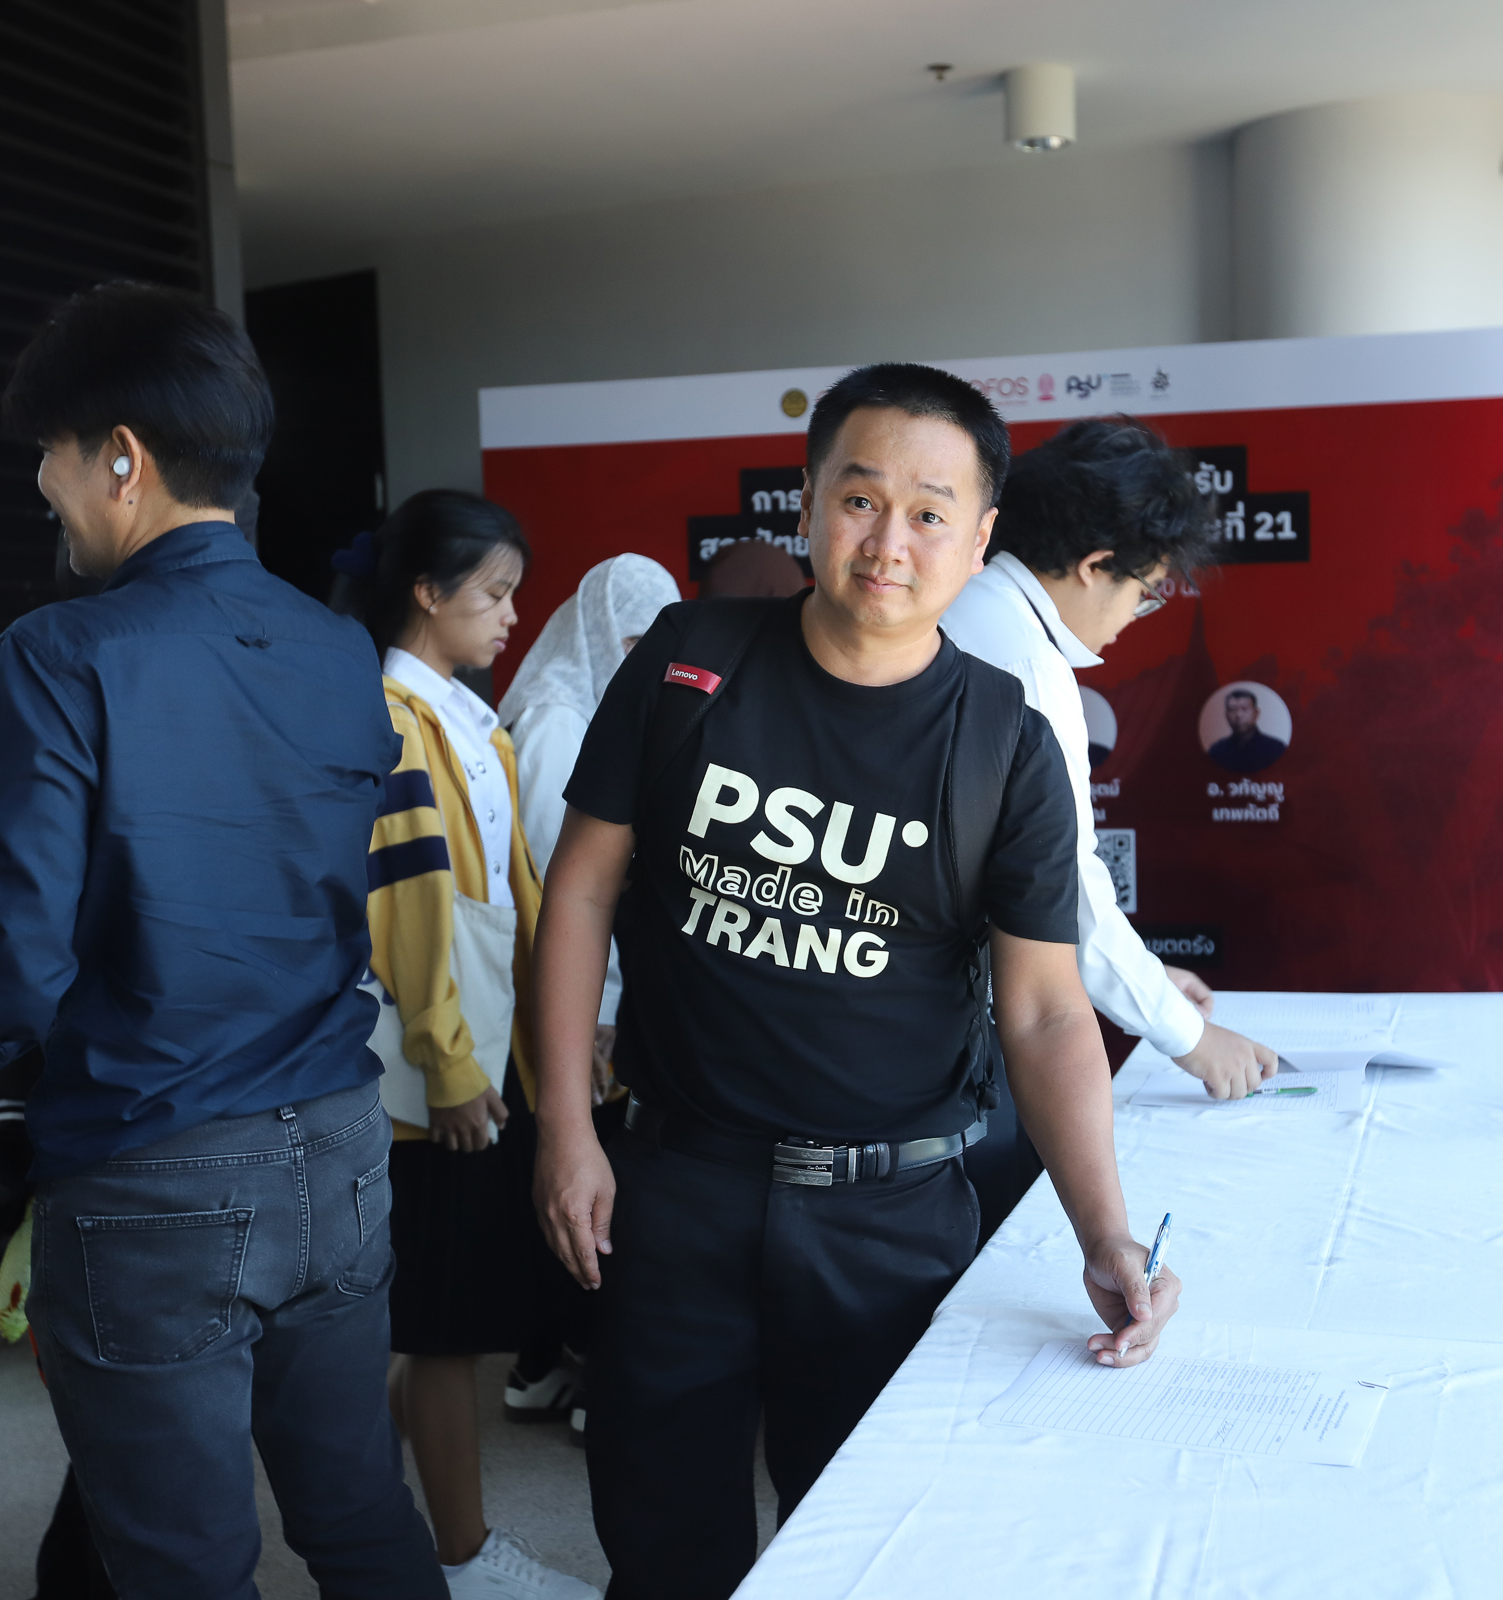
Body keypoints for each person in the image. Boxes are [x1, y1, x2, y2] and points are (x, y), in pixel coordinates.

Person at [530, 363, 1183, 1600]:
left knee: (868, 1555)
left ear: (980, 538)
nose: (890, 543)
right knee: (663, 1549)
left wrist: (1103, 1228)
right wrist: (567, 1131)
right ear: (809, 500)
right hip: (676, 1193)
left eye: (931, 513)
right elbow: (580, 893)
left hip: (889, 1219)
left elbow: (1045, 1007)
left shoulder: (1004, 739)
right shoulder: (691, 659)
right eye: (860, 499)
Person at [0, 283, 442, 1600]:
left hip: (157, 1166)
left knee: (183, 1567)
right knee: (358, 1514)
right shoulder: (339, 650)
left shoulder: (55, 656)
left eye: (50, 454)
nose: (41, 486)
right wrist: (46, 855)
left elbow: (5, 979)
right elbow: (272, 862)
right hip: (338, 1138)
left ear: (121, 455)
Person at [336, 494, 596, 1600]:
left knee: (442, 1323)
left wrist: (552, 1042)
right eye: (493, 593)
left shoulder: (464, 716)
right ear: (426, 593)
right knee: (440, 1332)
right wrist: (449, 1067)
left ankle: (423, 1540)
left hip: (484, 1058)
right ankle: (461, 1555)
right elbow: (408, 910)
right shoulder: (395, 717)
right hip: (436, 1075)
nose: (511, 614)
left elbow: (520, 901)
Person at [943, 417, 1284, 1143]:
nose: (1138, 617)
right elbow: (1066, 891)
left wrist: (1150, 982)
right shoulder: (1026, 667)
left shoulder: (966, 608)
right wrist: (1188, 1034)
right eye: (1146, 590)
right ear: (1096, 566)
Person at [490, 555, 679, 1433]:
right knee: (588, 1187)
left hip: (584, 1001)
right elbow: (565, 890)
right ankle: (583, 1374)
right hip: (573, 1006)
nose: (646, 659)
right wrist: (600, 1013)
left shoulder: (597, 709)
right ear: (599, 631)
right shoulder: (557, 722)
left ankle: (548, 1365)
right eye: (633, 640)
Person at [1207, 687, 1287, 772]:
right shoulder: (1217, 750)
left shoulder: (1275, 749)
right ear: (1226, 715)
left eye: (1244, 709)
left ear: (1256, 713)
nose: (1238, 715)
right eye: (1232, 709)